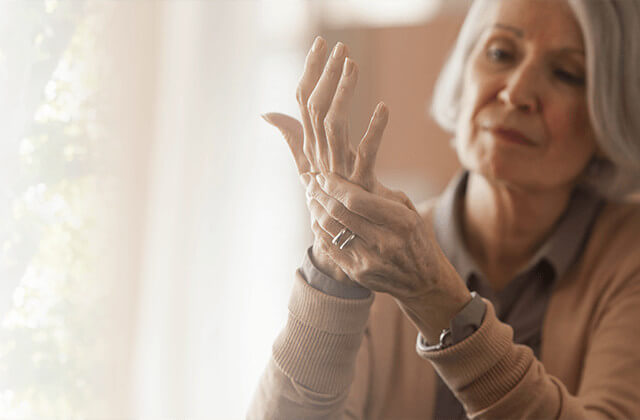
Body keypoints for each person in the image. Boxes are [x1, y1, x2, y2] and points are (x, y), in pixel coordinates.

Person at [249, 0, 640, 418]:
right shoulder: (381, 252)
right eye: (500, 53)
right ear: (464, 71)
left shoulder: (628, 256)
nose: (517, 92)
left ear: (611, 108)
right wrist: (334, 265)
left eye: (566, 73)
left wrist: (435, 297)